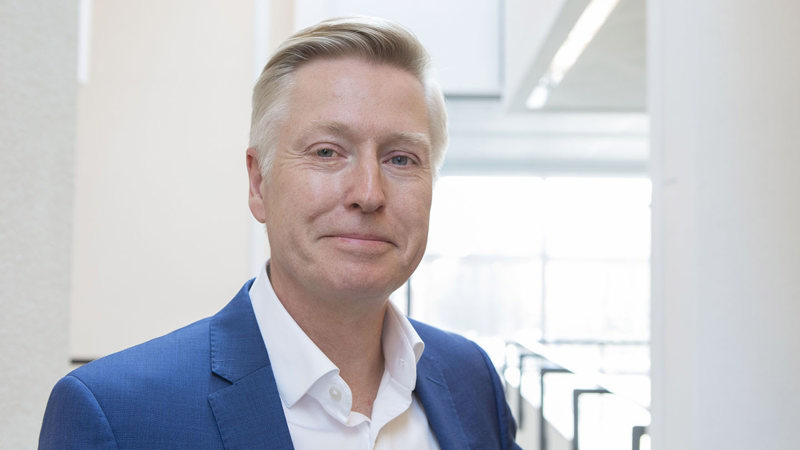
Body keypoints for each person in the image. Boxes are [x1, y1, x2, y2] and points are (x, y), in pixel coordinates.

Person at [39, 16, 520, 449]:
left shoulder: (470, 381)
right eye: (327, 152)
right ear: (258, 183)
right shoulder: (118, 416)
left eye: (400, 159)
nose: (368, 193)